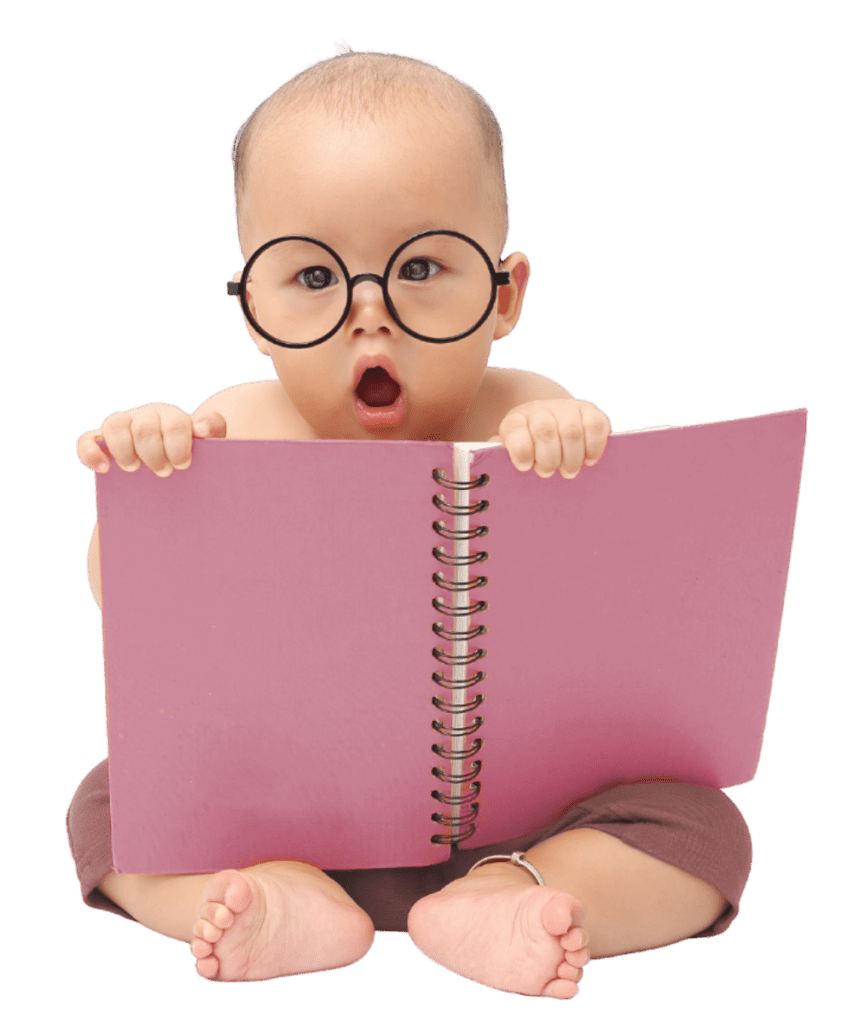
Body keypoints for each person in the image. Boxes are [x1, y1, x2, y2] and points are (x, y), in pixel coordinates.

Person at [67, 39, 752, 999]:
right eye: (312, 279)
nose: (369, 314)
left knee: (702, 825)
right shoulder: (225, 430)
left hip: (521, 820)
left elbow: (619, 582)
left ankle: (519, 901)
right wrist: (149, 489)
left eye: (422, 265)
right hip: (281, 818)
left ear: (504, 294)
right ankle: (271, 899)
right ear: (252, 310)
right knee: (112, 801)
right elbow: (125, 611)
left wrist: (572, 445)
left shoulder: (524, 407)